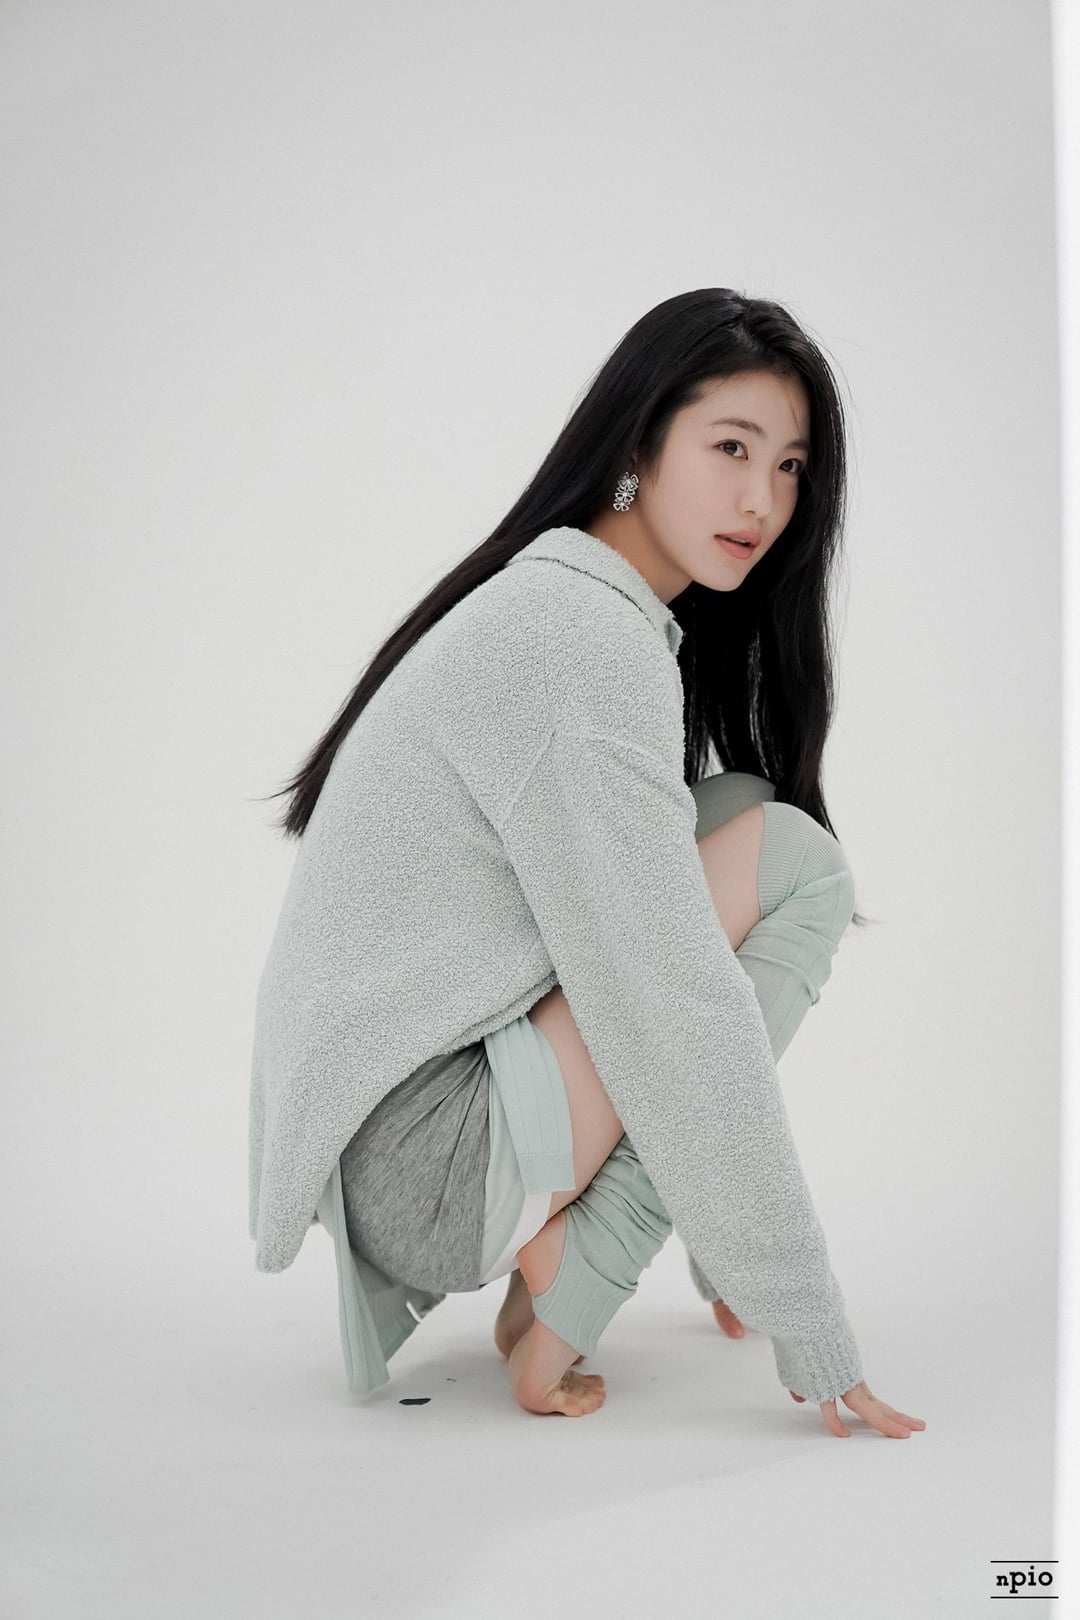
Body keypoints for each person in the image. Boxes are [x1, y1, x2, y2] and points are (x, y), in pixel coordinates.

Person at [249, 286, 926, 1440]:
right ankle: (577, 1275)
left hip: (398, 1139)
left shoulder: (564, 604)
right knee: (797, 866)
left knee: (745, 809)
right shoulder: (585, 645)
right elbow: (670, 1003)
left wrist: (725, 1235)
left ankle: (608, 1242)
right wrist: (804, 1311)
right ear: (637, 444)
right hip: (435, 1164)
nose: (763, 501)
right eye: (730, 448)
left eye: (791, 467)